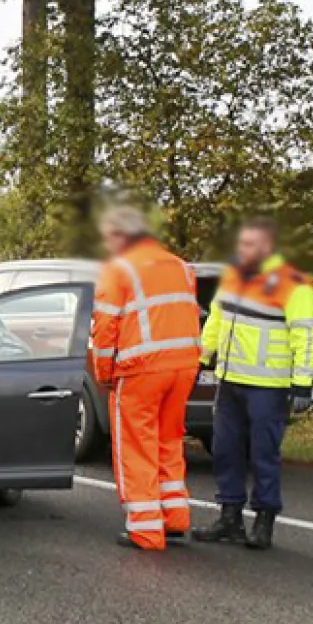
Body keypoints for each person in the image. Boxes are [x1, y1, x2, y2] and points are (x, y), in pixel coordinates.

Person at [194, 216, 313, 550]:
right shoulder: (233, 277)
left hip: (269, 385)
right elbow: (216, 320)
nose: (242, 249)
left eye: (249, 244)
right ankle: (229, 517)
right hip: (230, 381)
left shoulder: (294, 284)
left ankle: (264, 519)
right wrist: (202, 358)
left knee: (263, 455)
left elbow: (304, 335)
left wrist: (302, 383)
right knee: (225, 451)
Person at [91, 206, 202, 551]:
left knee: (136, 447)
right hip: (183, 366)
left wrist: (104, 374)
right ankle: (174, 519)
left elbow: (105, 328)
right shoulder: (181, 267)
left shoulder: (119, 270)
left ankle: (145, 529)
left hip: (140, 369)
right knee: (168, 440)